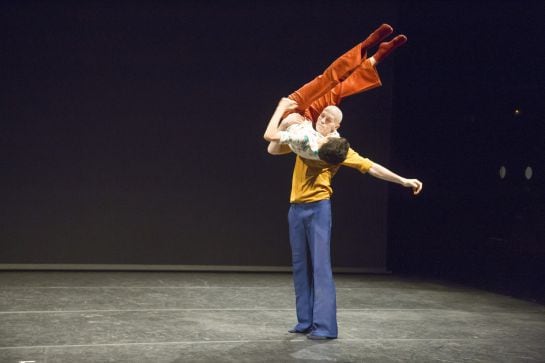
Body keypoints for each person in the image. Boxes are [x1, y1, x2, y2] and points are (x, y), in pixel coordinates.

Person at [264, 24, 423, 340]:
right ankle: (305, 320)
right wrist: (289, 122)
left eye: (330, 120)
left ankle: (324, 327)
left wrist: (403, 180)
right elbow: (272, 146)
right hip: (296, 206)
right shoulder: (307, 131)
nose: (324, 120)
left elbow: (372, 167)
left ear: (335, 127)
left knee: (320, 268)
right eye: (323, 118)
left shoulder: (338, 148)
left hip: (318, 208)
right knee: (332, 87)